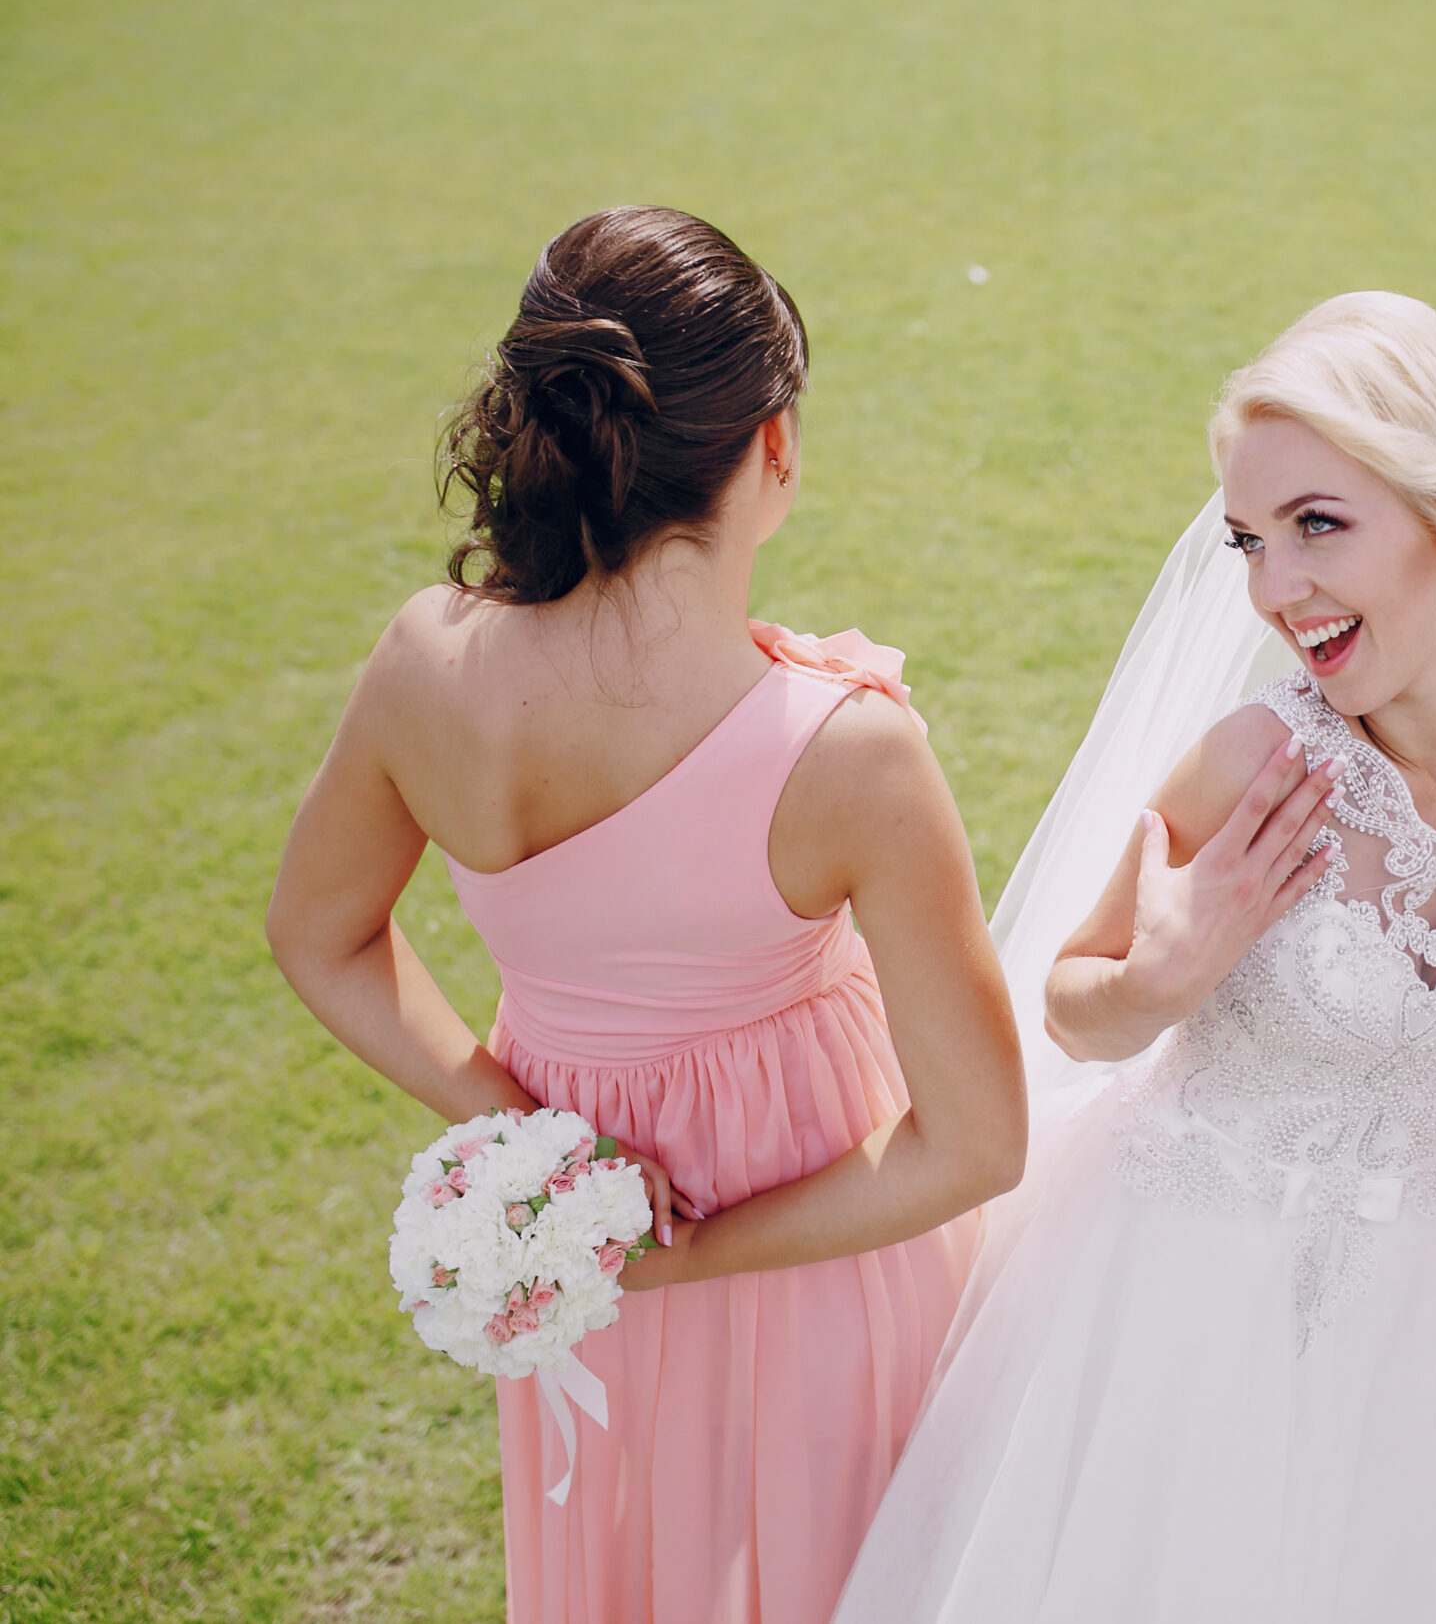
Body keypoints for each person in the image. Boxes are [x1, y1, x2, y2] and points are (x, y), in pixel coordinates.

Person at [834, 292, 1436, 1623]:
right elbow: (1072, 1010)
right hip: (1172, 1280)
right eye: (1251, 541)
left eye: (1318, 527)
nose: (1278, 592)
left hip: (1426, 1303)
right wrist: (1163, 978)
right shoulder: (1256, 761)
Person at [267, 206, 1025, 1624]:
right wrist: (688, 1248)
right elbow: (976, 1142)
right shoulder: (845, 754)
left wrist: (531, 1134)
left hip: (584, 1268)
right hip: (823, 1259)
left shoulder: (426, 665)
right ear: (774, 449)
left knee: (628, 1577)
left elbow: (320, 930)